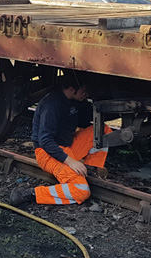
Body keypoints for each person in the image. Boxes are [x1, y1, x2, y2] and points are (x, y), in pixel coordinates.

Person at [10, 74, 109, 207]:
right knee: (81, 191)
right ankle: (29, 193)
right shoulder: (51, 104)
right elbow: (45, 141)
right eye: (84, 91)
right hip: (48, 152)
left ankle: (90, 168)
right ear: (72, 89)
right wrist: (70, 161)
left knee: (102, 129)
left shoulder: (73, 100)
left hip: (67, 145)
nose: (86, 94)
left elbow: (85, 119)